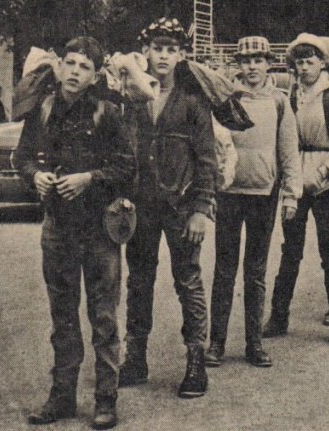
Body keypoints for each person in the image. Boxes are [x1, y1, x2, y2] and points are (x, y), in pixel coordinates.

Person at [17, 36, 136, 429]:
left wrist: (89, 178)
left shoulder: (108, 113)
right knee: (62, 316)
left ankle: (106, 400)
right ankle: (62, 397)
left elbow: (127, 168)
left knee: (103, 317)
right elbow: (21, 156)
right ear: (60, 66)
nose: (74, 72)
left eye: (84, 67)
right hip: (58, 229)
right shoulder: (45, 109)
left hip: (99, 229)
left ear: (95, 75)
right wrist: (35, 176)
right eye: (69, 63)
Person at [119, 17, 215, 398]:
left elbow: (207, 160)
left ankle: (196, 363)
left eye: (171, 49)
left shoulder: (193, 101)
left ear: (182, 55)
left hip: (181, 206)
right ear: (145, 52)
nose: (163, 55)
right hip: (140, 206)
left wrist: (200, 209)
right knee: (139, 281)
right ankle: (135, 358)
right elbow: (121, 150)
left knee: (188, 280)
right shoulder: (130, 96)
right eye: (157, 48)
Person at [205, 36, 302, 369]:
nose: (252, 67)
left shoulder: (279, 101)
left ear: (268, 63)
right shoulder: (225, 97)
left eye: (258, 60)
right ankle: (216, 343)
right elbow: (213, 145)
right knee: (224, 270)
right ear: (238, 65)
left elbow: (289, 152)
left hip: (264, 194)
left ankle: (254, 343)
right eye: (246, 61)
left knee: (256, 271)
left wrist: (291, 194)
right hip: (229, 193)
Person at [262, 33, 329, 347]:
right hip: (293, 182)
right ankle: (278, 315)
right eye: (299, 62)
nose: (304, 68)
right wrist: (289, 178)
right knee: (290, 251)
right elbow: (280, 141)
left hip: (323, 183)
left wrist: (323, 175)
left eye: (310, 61)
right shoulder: (289, 97)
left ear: (322, 63)